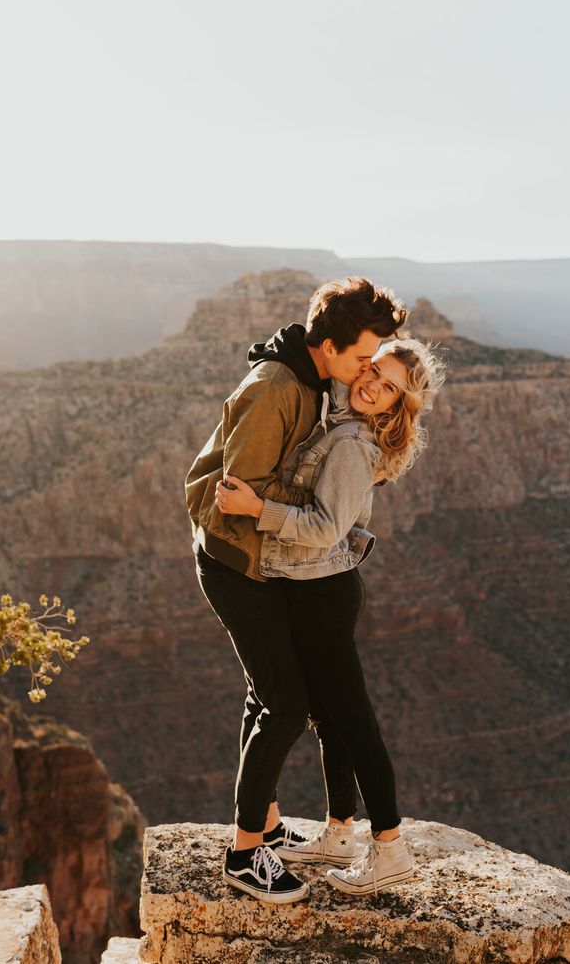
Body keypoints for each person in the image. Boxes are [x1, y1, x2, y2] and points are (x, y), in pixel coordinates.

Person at [185, 277, 407, 904]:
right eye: (364, 358)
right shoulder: (275, 389)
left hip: (271, 565)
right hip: (237, 564)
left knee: (271, 697)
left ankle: (268, 824)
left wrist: (353, 487)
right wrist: (328, 515)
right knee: (285, 704)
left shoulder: (317, 378)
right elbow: (234, 494)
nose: (367, 371)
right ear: (330, 345)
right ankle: (245, 852)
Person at [215, 338, 446, 896]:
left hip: (323, 596)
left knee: (354, 724)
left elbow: (324, 527)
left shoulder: (349, 444)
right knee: (328, 716)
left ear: (399, 403)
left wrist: (256, 510)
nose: (371, 384)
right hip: (313, 588)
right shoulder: (335, 415)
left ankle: (388, 845)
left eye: (389, 386)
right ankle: (341, 832)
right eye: (373, 370)